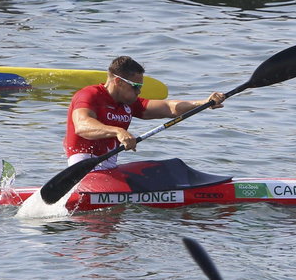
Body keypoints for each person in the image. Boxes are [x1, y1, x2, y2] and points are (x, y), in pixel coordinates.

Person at [64, 55, 225, 186]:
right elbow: (82, 125)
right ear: (118, 82)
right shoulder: (89, 95)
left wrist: (204, 103)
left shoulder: (130, 103)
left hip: (109, 171)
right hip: (84, 173)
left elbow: (170, 108)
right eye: (135, 86)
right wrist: (118, 131)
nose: (139, 91)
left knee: (167, 169)